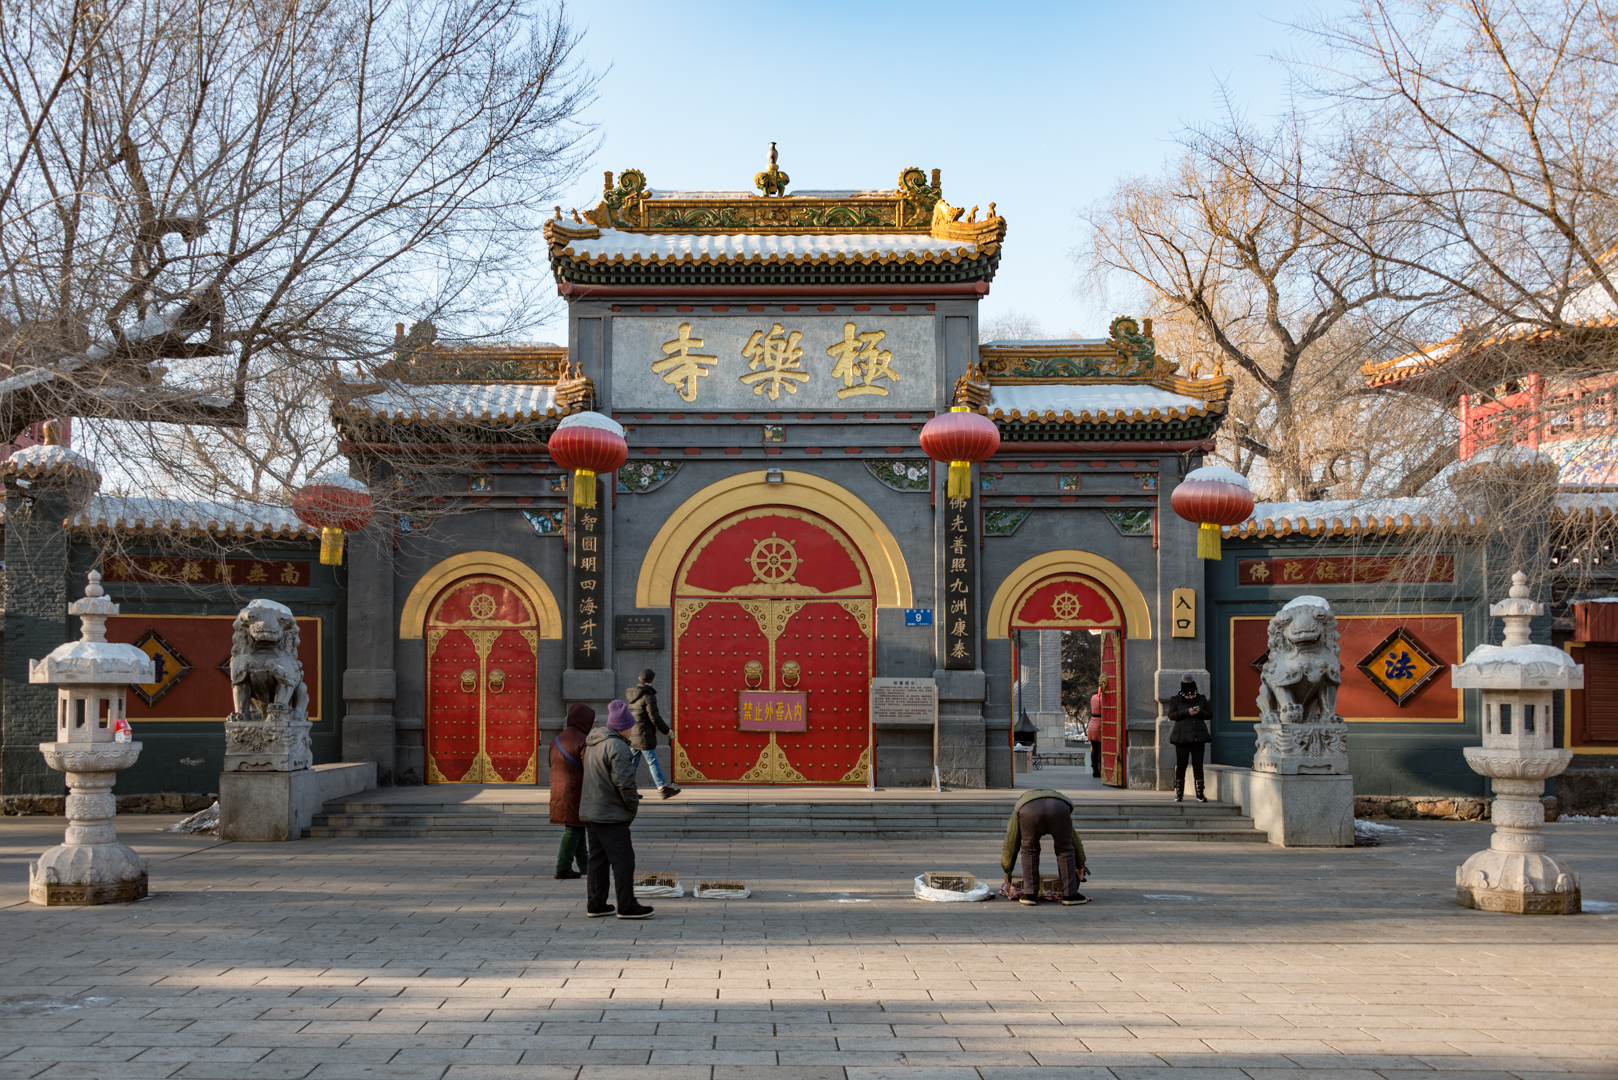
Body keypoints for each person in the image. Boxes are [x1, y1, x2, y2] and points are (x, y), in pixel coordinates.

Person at [579, 700, 654, 919]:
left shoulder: (594, 743)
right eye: (631, 725)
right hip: (609, 813)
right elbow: (625, 782)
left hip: (592, 811)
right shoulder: (618, 746)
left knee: (598, 860)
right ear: (623, 726)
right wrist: (632, 806)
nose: (632, 729)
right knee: (623, 860)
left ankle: (596, 903)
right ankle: (627, 905)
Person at [1001, 788, 1089, 906]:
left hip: (1029, 811)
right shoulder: (1058, 801)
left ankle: (1029, 895)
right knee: (1065, 849)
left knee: (1029, 849)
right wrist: (1080, 867)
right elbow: (1075, 842)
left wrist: (1007, 871)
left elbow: (1011, 843)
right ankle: (1070, 895)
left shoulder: (1021, 805)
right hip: (1059, 809)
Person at [548, 703, 595, 879]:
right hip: (576, 790)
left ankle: (585, 864)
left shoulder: (557, 739)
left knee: (577, 825)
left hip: (558, 789)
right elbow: (589, 767)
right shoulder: (583, 740)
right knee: (572, 829)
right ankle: (562, 867)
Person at [624, 669, 680, 798]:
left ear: (639, 679)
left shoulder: (632, 695)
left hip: (633, 734)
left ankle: (626, 790)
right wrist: (667, 730)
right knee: (652, 761)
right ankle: (663, 788)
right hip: (644, 735)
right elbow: (654, 717)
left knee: (632, 763)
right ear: (653, 680)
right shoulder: (648, 695)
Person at [1166, 673, 1213, 802]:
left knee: (1198, 766)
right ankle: (1179, 792)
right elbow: (1171, 715)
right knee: (1181, 765)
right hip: (1182, 739)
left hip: (1198, 737)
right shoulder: (1175, 700)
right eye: (1188, 695)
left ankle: (1200, 793)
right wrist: (1187, 712)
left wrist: (1200, 712)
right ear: (1183, 693)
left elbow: (1209, 714)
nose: (1191, 697)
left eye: (1193, 694)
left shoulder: (1201, 699)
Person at [1086, 691, 1103, 778]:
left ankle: (1095, 770)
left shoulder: (1093, 697)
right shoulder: (1103, 698)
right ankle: (1100, 770)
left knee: (1094, 749)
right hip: (1100, 723)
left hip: (1092, 722)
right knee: (1100, 749)